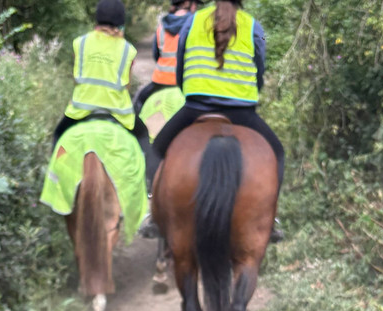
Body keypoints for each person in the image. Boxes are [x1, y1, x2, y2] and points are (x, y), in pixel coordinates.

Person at [142, 0, 284, 240]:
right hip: (242, 112)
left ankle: (155, 216)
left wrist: (187, 89)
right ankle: (270, 218)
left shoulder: (193, 22)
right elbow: (259, 71)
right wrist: (249, 91)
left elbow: (181, 67)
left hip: (196, 108)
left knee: (155, 151)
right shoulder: (253, 26)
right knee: (278, 154)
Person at [52, 0, 154, 175]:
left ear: (97, 20)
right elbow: (127, 86)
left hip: (81, 111)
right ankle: (150, 183)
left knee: (58, 134)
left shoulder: (80, 43)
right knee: (143, 135)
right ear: (120, 23)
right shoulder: (127, 50)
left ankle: (53, 177)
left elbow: (76, 79)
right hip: (118, 113)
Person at [134, 1, 199, 115]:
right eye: (195, 2)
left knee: (139, 102)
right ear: (188, 3)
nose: (196, 6)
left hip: (160, 81)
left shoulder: (162, 25)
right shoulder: (195, 24)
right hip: (185, 83)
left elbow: (156, 54)